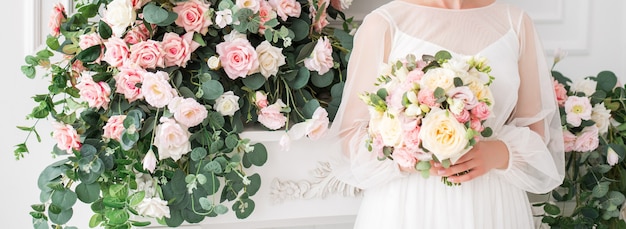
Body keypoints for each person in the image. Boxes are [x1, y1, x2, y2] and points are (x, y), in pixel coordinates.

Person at [328, 0, 565, 228]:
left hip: (492, 203)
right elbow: (350, 136)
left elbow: (537, 135)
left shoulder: (516, 23)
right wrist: (410, 157)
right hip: (410, 204)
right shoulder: (384, 23)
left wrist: (498, 153)